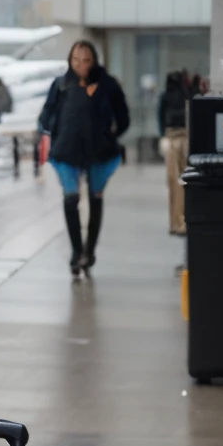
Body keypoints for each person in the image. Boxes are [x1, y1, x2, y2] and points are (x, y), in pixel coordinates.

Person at [38, 40, 129, 276]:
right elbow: (46, 114)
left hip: (100, 152)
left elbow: (123, 116)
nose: (80, 65)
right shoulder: (60, 85)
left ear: (94, 61)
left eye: (86, 60)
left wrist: (112, 132)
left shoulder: (107, 85)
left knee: (95, 199)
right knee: (71, 199)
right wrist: (54, 128)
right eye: (76, 60)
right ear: (70, 60)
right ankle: (77, 252)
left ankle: (89, 251)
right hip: (66, 151)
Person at [158, 69, 192, 236]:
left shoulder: (166, 96)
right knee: (182, 182)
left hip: (172, 138)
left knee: (174, 182)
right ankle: (181, 221)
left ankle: (176, 222)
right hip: (182, 138)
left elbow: (160, 118)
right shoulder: (185, 95)